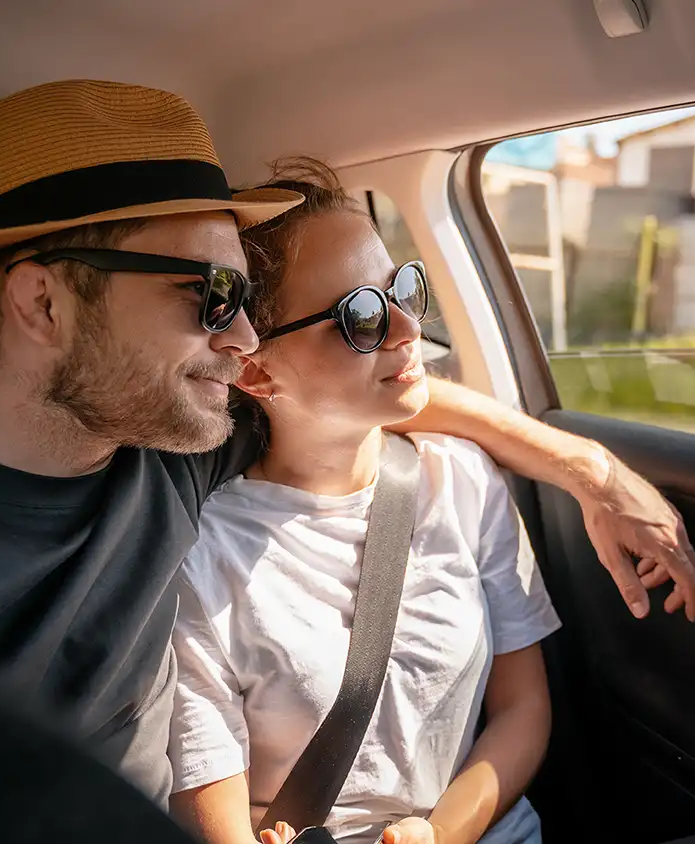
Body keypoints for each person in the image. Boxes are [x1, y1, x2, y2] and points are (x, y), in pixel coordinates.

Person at [0, 79, 695, 805]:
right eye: (211, 298)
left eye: (246, 301)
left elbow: (394, 395)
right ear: (42, 301)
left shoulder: (175, 448)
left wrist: (592, 469)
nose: (241, 344)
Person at [168, 159, 558, 844]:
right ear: (256, 369)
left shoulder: (464, 481)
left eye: (401, 290)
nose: (409, 328)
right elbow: (212, 806)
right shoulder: (203, 555)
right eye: (362, 316)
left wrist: (440, 834)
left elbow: (524, 707)